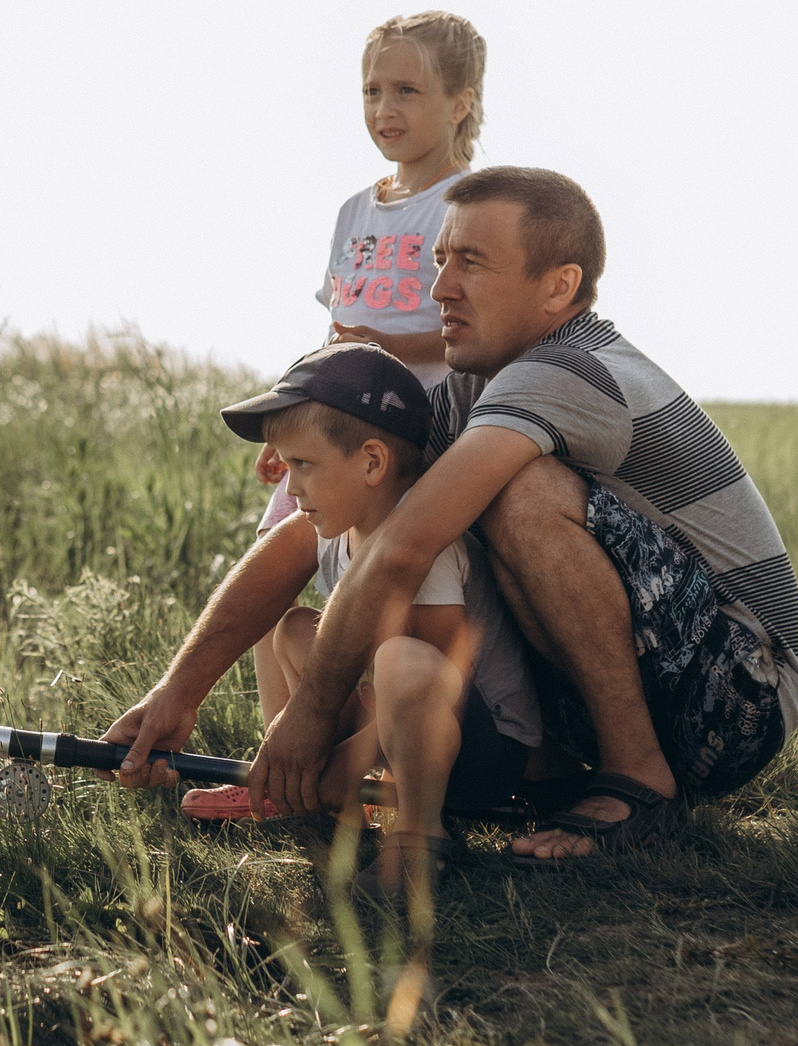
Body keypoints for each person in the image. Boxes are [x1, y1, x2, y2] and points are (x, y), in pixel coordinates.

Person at [111, 167, 798, 864]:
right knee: (450, 505)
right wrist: (179, 692)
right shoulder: (474, 389)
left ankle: (637, 777)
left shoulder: (567, 370)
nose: (439, 287)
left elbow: (404, 548)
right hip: (653, 675)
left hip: (741, 688)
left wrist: (311, 718)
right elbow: (308, 536)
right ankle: (529, 768)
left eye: (470, 261)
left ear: (558, 287)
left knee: (520, 492)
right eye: (441, 259)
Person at [174, 343, 543, 887]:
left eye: (303, 465)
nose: (290, 487)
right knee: (295, 629)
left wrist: (345, 762)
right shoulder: (335, 533)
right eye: (286, 466)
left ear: (372, 462)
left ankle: (420, 840)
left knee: (399, 660)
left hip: (486, 751)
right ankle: (313, 794)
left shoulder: (427, 542)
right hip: (400, 719)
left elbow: (442, 684)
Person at [249, 13, 485, 546]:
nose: (384, 109)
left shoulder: (467, 207)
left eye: (407, 91)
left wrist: (389, 348)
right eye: (372, 91)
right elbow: (337, 331)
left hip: (417, 431)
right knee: (276, 544)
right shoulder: (353, 211)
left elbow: (484, 332)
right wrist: (292, 413)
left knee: (382, 564)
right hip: (335, 420)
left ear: (459, 104)